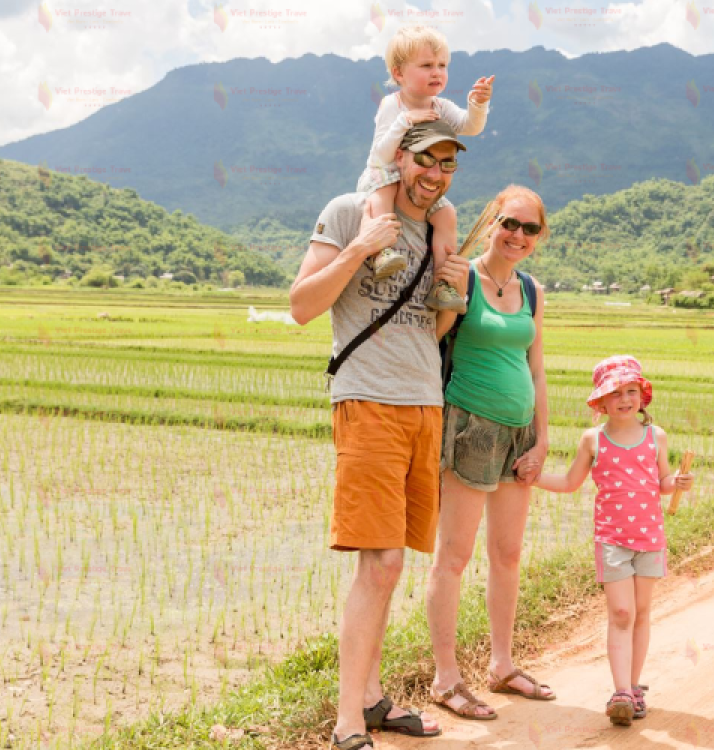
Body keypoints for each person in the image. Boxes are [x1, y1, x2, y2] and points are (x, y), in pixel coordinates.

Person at [289, 119, 471, 750]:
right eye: (426, 160)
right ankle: (345, 725)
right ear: (398, 157)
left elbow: (434, 332)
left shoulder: (438, 230)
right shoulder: (348, 211)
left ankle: (370, 700)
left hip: (425, 405)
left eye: (448, 164)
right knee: (381, 563)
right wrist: (359, 249)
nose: (436, 174)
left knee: (390, 568)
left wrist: (457, 295)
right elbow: (302, 306)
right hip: (367, 401)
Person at [426, 185, 552, 720]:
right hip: (469, 427)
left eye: (529, 228)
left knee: (508, 555)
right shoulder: (465, 277)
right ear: (491, 221)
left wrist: (543, 439)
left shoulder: (532, 289)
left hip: (519, 434)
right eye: (509, 223)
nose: (517, 235)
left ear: (539, 236)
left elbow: (537, 366)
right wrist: (447, 287)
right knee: (453, 558)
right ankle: (446, 678)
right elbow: (434, 335)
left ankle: (502, 665)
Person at [533, 355, 694, 726]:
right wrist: (535, 478)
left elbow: (663, 483)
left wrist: (678, 484)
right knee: (621, 613)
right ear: (600, 402)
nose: (625, 399)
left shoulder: (657, 436)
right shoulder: (593, 439)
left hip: (650, 538)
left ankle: (635, 687)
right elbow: (571, 482)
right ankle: (620, 690)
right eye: (615, 393)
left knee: (640, 613)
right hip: (612, 540)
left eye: (631, 391)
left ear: (642, 395)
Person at [359, 24, 493, 314]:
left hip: (421, 182)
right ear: (398, 73)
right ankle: (382, 252)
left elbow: (470, 127)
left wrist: (478, 104)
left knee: (446, 214)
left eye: (442, 65)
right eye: (426, 65)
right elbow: (382, 154)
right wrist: (406, 121)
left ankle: (442, 284)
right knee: (383, 195)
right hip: (383, 173)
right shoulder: (391, 105)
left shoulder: (442, 107)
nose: (437, 72)